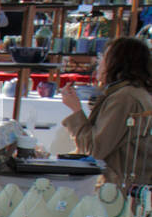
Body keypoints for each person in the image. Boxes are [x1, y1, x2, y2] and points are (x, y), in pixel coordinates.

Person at [60, 37, 152, 188]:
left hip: (118, 190)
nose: (99, 63)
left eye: (104, 58)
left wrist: (76, 110)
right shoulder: (133, 93)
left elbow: (95, 149)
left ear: (117, 63)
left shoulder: (124, 98)